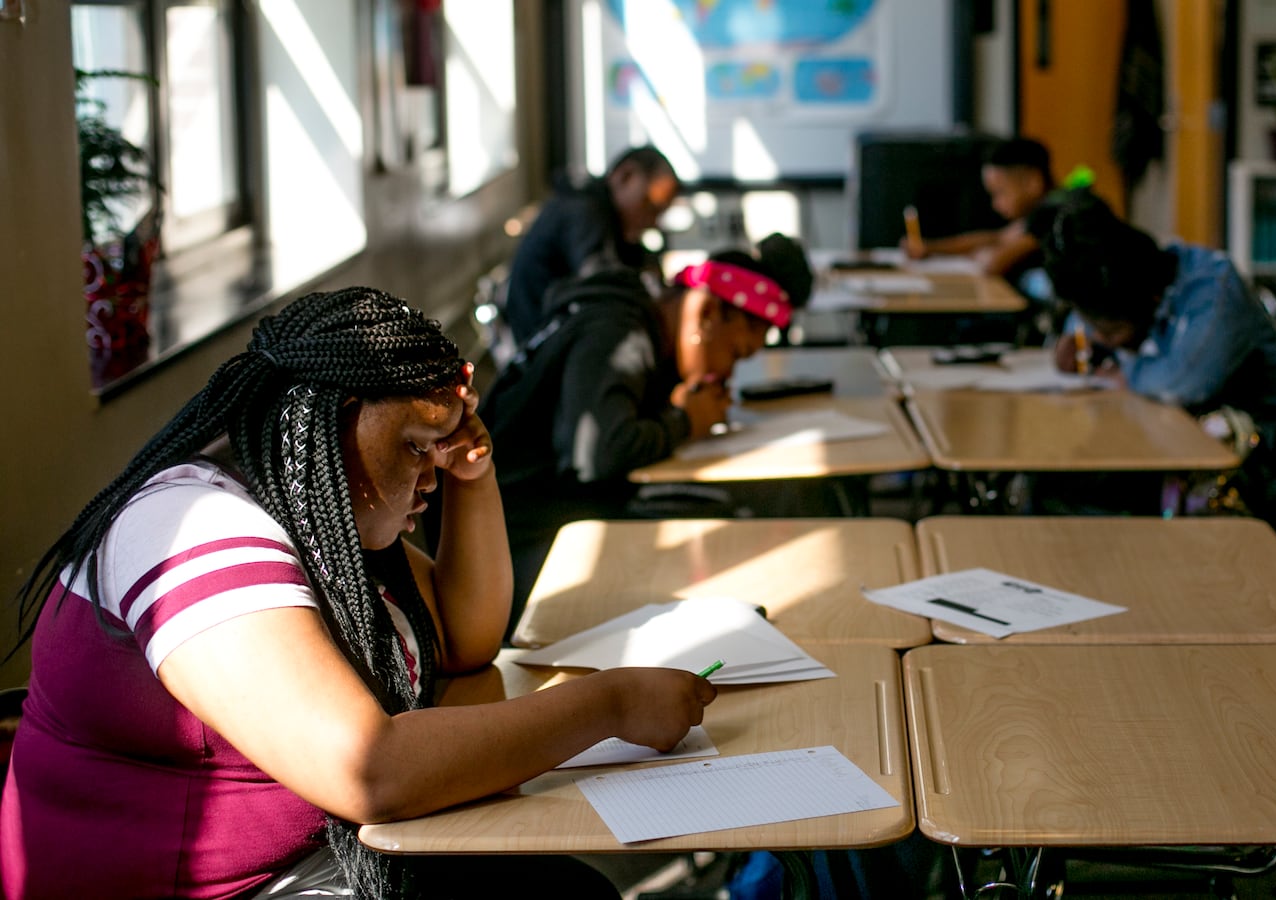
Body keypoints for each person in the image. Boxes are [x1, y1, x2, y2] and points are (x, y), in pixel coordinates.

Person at [1, 288, 716, 899]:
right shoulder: (186, 528)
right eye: (414, 447)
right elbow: (368, 768)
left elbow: (465, 641)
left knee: (564, 889)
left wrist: (473, 473)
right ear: (327, 420)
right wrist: (610, 704)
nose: (428, 477)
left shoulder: (316, 518)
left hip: (310, 869)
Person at [481, 234, 814, 611]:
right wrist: (685, 421)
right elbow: (597, 455)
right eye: (735, 354)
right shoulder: (618, 332)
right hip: (518, 549)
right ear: (706, 313)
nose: (728, 373)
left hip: (559, 519)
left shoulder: (640, 323)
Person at [1037, 187, 1276, 427]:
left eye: (1111, 333)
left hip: (1267, 448)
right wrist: (1078, 342)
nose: (1099, 338)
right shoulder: (1123, 277)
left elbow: (1182, 383)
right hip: (1185, 434)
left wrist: (1127, 373)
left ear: (1150, 301)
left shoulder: (1214, 295)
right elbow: (1088, 320)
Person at [504, 145, 681, 345]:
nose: (652, 221)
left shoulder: (597, 209)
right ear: (625, 175)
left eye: (659, 214)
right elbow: (601, 280)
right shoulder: (584, 211)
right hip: (538, 340)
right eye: (648, 205)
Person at [900, 137, 1054, 286]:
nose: (995, 204)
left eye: (1000, 193)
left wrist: (983, 254)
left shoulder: (1053, 214)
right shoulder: (1038, 212)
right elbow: (997, 238)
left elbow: (993, 264)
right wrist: (930, 248)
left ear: (1032, 182)